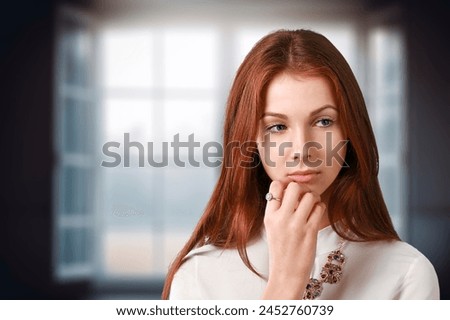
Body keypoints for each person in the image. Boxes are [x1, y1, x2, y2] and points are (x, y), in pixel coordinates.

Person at [162, 29, 440, 299]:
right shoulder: (199, 275)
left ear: (351, 131)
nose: (302, 150)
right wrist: (285, 283)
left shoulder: (407, 275)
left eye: (323, 121)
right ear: (250, 140)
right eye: (278, 126)